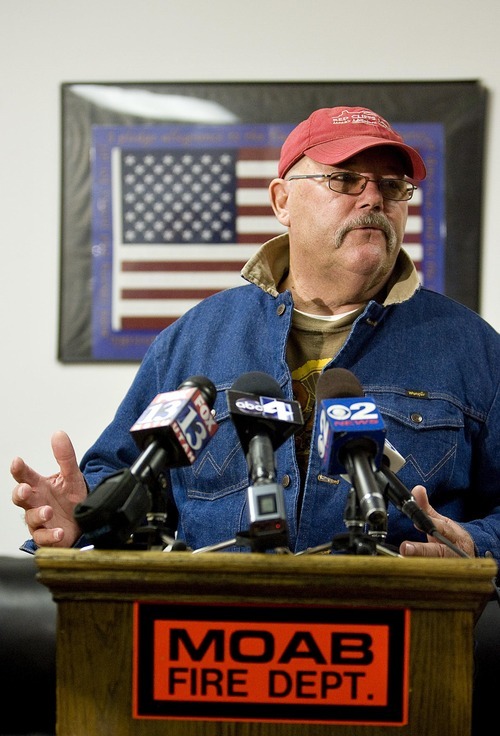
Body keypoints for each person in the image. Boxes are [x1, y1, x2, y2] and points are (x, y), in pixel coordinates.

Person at [10, 105, 500, 565]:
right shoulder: (193, 340)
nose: (373, 197)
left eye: (393, 187)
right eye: (345, 179)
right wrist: (82, 515)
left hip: (402, 638)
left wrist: (475, 544)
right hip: (218, 640)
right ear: (282, 201)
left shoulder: (473, 349)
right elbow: (120, 484)